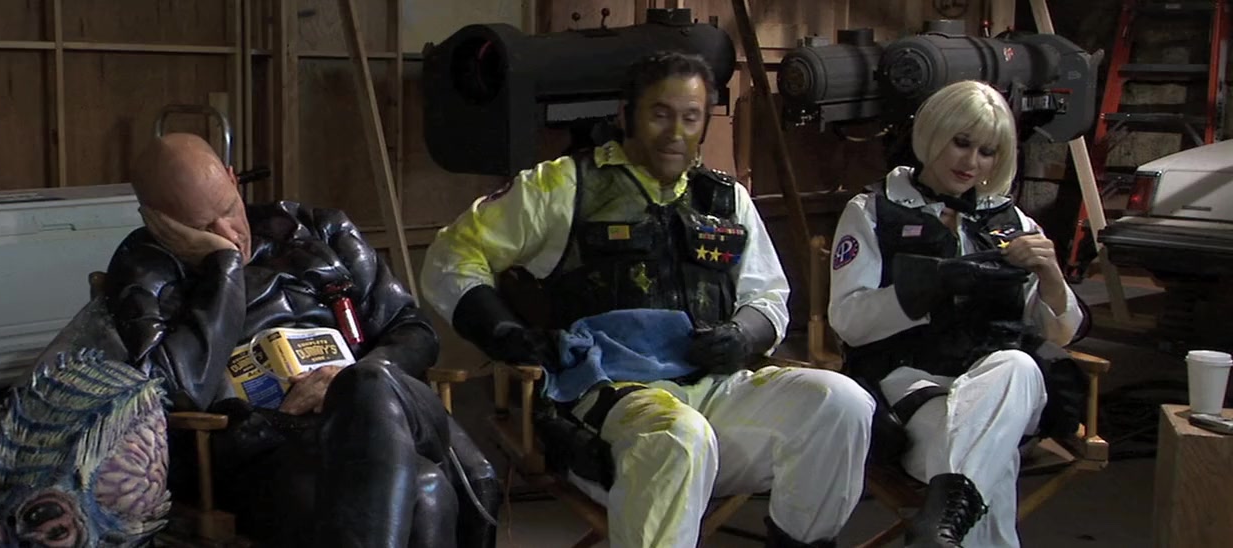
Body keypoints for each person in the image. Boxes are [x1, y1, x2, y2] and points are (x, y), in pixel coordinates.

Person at [420, 51, 875, 548]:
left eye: (691, 117)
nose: (675, 132)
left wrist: (742, 336)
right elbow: (451, 254)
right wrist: (503, 332)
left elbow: (768, 296)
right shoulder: (566, 186)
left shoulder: (727, 201)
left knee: (841, 403)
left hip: (716, 392)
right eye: (660, 114)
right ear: (626, 115)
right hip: (609, 401)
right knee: (679, 436)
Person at [101, 133, 501, 547]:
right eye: (202, 228)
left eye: (228, 210)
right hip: (267, 445)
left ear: (234, 180)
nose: (229, 233)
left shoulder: (316, 230)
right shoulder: (146, 270)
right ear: (159, 221)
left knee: (366, 383)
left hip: (383, 411)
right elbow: (171, 393)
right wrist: (224, 266)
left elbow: (413, 329)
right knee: (427, 489)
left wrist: (346, 382)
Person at [828, 80, 1087, 548]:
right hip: (914, 391)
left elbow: (1062, 333)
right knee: (991, 458)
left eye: (987, 152)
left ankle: (937, 525)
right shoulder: (873, 211)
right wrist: (932, 286)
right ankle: (940, 528)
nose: (972, 162)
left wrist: (1051, 275)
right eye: (961, 143)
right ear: (933, 133)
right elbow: (848, 321)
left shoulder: (1013, 222)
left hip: (1005, 390)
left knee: (1017, 365)